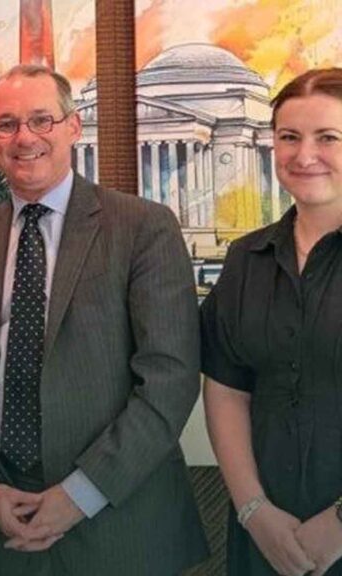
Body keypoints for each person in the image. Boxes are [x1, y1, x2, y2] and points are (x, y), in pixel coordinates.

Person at [0, 64, 207, 575]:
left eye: (42, 119)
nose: (25, 138)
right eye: (7, 124)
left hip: (121, 528)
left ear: (73, 126)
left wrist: (80, 493)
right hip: (2, 525)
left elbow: (170, 380)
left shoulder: (143, 227)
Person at [202, 67, 342, 576]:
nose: (304, 156)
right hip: (265, 536)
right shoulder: (246, 259)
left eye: (327, 137)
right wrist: (253, 510)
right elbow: (226, 389)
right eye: (289, 137)